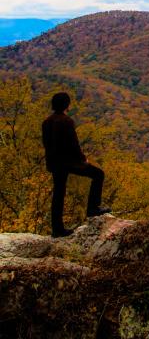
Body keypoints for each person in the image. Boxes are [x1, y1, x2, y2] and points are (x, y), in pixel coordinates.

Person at [42, 92, 110, 237]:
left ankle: (57, 229)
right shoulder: (66, 121)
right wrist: (82, 159)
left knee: (58, 193)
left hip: (54, 163)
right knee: (98, 174)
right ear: (67, 105)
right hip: (68, 162)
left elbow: (46, 144)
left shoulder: (46, 122)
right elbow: (73, 144)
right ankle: (93, 209)